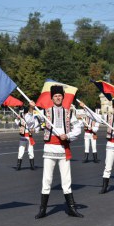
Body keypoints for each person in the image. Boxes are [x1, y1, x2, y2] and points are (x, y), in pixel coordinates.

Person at [33, 85, 84, 219]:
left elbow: (78, 128)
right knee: (47, 180)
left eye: (60, 96)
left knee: (66, 180)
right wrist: (31, 110)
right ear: (51, 98)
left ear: (63, 97)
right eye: (55, 96)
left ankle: (72, 208)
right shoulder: (45, 112)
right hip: (49, 149)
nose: (57, 98)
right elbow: (33, 126)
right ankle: (43, 209)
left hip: (63, 149)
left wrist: (68, 136)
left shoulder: (69, 112)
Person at [15, 105, 39, 170]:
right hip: (23, 137)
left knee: (30, 151)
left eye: (26, 113)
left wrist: (34, 129)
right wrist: (18, 118)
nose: (25, 114)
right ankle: (18, 166)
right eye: (24, 113)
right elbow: (16, 122)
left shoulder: (34, 118)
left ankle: (32, 166)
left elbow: (37, 126)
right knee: (21, 151)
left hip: (29, 136)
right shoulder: (22, 118)